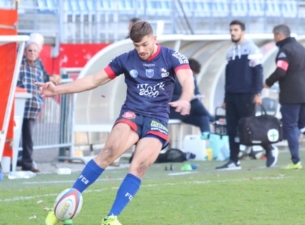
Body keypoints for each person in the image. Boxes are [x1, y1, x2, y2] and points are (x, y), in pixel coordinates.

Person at [38, 20, 194, 225]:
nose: (141, 50)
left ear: (154, 39)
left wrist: (186, 98)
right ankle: (65, 206)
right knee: (109, 153)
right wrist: (57, 90)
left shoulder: (172, 57)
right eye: (136, 45)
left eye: (145, 44)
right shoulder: (126, 60)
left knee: (140, 166)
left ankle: (110, 218)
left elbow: (187, 79)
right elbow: (94, 80)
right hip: (132, 114)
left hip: (158, 119)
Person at [216, 20, 278, 170]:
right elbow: (228, 76)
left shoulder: (252, 49)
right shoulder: (230, 52)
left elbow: (258, 73)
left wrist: (258, 93)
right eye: (231, 30)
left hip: (247, 95)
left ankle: (270, 149)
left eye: (236, 30)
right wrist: (225, 98)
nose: (232, 33)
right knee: (232, 128)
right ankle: (233, 161)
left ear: (243, 32)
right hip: (231, 95)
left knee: (249, 127)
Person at [264, 24, 305, 170]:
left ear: (279, 35)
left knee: (290, 127)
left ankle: (295, 161)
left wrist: (267, 82)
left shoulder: (285, 50)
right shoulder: (302, 49)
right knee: (304, 124)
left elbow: (281, 71)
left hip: (291, 96)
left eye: (274, 36)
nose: (274, 39)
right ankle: (295, 160)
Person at [17, 33, 61, 173]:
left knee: (28, 136)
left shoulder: (39, 64)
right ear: (25, 51)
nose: (32, 53)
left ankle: (27, 162)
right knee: (14, 135)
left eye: (34, 51)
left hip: (32, 106)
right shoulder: (19, 62)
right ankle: (13, 161)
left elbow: (46, 78)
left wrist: (52, 79)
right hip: (18, 106)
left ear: (38, 53)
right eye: (29, 50)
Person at [170, 58, 214, 136]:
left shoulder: (192, 78)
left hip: (187, 111)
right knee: (194, 102)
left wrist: (197, 97)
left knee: (204, 118)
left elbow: (196, 92)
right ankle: (212, 118)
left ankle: (206, 137)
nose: (192, 76)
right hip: (174, 110)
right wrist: (185, 98)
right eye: (192, 74)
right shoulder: (172, 77)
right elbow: (168, 97)